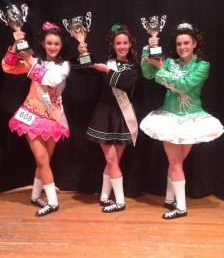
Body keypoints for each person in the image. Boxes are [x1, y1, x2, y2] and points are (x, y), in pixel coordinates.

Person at [140, 22, 224, 220]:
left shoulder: (202, 66)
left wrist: (161, 67)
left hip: (192, 119)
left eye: (186, 43)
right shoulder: (170, 62)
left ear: (194, 43)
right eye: (179, 44)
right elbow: (147, 73)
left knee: (177, 162)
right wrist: (148, 48)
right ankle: (179, 205)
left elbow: (184, 86)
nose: (182, 47)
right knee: (175, 162)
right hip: (168, 117)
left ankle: (173, 201)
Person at [2, 22, 70, 217]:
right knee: (41, 160)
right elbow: (8, 67)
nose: (53, 47)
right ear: (42, 43)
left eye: (56, 43)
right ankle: (53, 202)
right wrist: (16, 46)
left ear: (61, 45)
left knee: (45, 160)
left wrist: (31, 61)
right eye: (49, 43)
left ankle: (34, 196)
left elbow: (51, 80)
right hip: (32, 116)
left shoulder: (63, 66)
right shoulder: (33, 60)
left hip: (54, 117)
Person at [78, 24, 140, 213]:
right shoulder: (107, 63)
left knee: (114, 161)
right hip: (104, 116)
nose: (122, 46)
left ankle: (105, 196)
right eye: (118, 43)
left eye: (125, 43)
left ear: (130, 45)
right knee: (112, 160)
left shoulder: (134, 67)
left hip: (123, 116)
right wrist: (82, 52)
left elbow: (126, 84)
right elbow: (83, 69)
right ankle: (119, 201)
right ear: (113, 45)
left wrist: (107, 71)